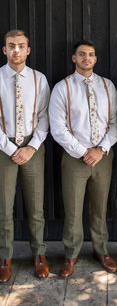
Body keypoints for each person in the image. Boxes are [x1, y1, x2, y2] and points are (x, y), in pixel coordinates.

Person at [49, 40, 117, 278]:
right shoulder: (63, 87)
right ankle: (71, 255)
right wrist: (82, 151)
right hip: (73, 158)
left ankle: (102, 250)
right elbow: (57, 128)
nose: (86, 58)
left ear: (96, 59)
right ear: (74, 58)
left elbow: (116, 123)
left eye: (91, 54)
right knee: (73, 209)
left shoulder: (107, 86)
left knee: (100, 208)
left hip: (103, 157)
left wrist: (101, 149)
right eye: (82, 54)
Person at [0, 30, 50, 283]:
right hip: (2, 148)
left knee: (35, 206)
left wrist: (32, 147)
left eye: (21, 46)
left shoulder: (39, 79)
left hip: (33, 147)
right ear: (4, 50)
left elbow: (44, 116)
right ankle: (5, 257)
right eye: (11, 46)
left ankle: (39, 254)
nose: (16, 50)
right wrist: (10, 149)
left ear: (28, 50)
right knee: (3, 207)